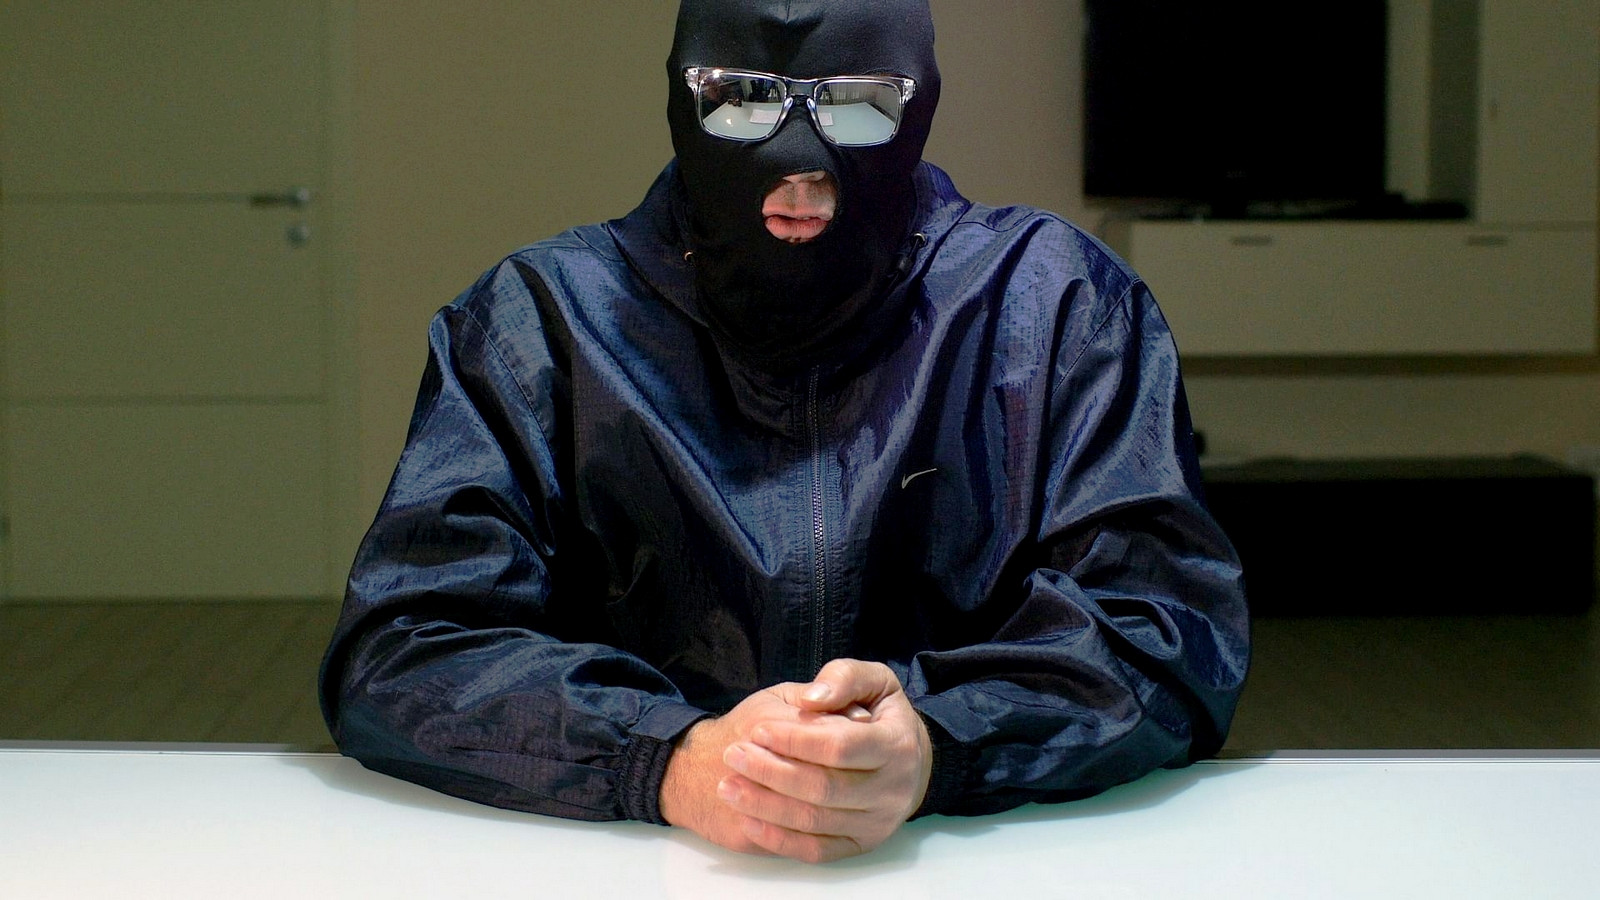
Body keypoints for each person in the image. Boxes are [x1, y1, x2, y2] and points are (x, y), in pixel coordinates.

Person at [319, 0, 1250, 864]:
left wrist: (938, 738)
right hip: (634, 865)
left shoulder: (1053, 306)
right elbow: (404, 644)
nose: (799, 171)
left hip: (976, 861)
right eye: (744, 102)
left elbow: (1166, 626)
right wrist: (669, 758)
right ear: (688, 100)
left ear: (917, 105)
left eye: (855, 106)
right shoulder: (545, 323)